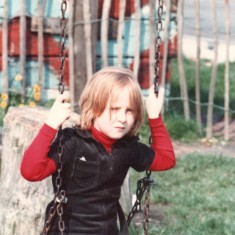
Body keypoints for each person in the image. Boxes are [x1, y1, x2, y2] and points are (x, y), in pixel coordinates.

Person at [20, 67, 175, 235]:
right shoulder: (72, 142)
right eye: (114, 109)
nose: (122, 118)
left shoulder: (127, 147)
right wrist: (51, 124)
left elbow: (166, 160)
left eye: (129, 111)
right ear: (94, 108)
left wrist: (154, 116)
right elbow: (31, 172)